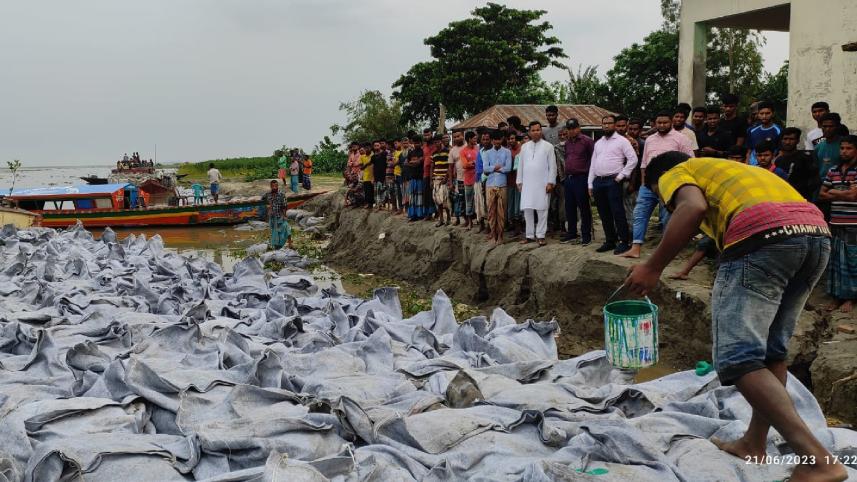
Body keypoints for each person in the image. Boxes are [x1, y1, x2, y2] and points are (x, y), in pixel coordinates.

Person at [624, 153, 844, 482]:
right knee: (771, 351)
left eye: (661, 197)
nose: (666, 203)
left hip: (763, 236)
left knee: (737, 357)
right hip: (815, 234)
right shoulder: (730, 172)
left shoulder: (675, 173)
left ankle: (817, 460)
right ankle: (753, 443)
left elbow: (691, 207)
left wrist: (652, 267)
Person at [621, 111, 694, 259]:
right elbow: (644, 163)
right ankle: (635, 247)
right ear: (655, 123)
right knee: (639, 214)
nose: (661, 125)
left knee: (667, 216)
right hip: (648, 185)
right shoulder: (649, 140)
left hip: (670, 184)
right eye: (659, 123)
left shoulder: (682, 139)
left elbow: (690, 162)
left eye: (665, 123)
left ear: (671, 122)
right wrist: (643, 183)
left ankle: (667, 250)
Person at [588, 114, 638, 254]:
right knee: (604, 213)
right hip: (598, 181)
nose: (606, 125)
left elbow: (633, 159)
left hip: (613, 181)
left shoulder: (622, 141)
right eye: (604, 123)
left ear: (615, 125)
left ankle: (624, 241)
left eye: (610, 123)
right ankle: (610, 240)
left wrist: (621, 176)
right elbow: (593, 164)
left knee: (618, 211)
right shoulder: (598, 142)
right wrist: (590, 184)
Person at [820, 135, 857, 313]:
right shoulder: (833, 170)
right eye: (842, 148)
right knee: (835, 260)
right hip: (836, 220)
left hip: (853, 223)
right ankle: (836, 296)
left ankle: (850, 298)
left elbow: (853, 196)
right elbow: (821, 194)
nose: (844, 151)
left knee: (852, 259)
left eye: (848, 148)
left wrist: (834, 192)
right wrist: (843, 192)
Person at [517, 121, 557, 246]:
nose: (536, 132)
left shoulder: (548, 146)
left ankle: (540, 235)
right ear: (529, 132)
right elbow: (520, 165)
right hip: (527, 184)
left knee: (542, 209)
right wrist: (519, 181)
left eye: (538, 130)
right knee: (527, 209)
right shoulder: (524, 147)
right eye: (533, 130)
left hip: (542, 183)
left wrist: (551, 182)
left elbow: (553, 166)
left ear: (541, 131)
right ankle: (529, 235)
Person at [561, 118, 594, 245]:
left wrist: (590, 180)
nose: (572, 131)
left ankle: (586, 235)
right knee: (569, 207)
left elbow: (593, 160)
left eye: (574, 128)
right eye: (569, 129)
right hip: (569, 178)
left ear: (578, 128)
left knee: (583, 207)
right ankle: (572, 233)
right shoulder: (567, 143)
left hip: (582, 177)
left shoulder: (587, 141)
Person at [484, 130, 512, 245]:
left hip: (502, 185)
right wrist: (498, 167)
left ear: (502, 140)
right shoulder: (487, 153)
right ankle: (493, 234)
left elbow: (508, 168)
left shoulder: (507, 152)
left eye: (499, 139)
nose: (496, 141)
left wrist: (493, 168)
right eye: (494, 139)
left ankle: (500, 235)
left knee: (501, 211)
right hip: (490, 184)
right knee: (491, 211)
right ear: (492, 140)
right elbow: (485, 168)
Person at [775, 127, 819, 200]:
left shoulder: (806, 158)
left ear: (798, 141)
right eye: (785, 139)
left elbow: (814, 181)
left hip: (802, 199)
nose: (788, 142)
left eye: (791, 139)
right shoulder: (778, 160)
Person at [746, 101, 782, 165]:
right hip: (753, 167)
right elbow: (749, 151)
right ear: (758, 114)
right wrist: (747, 163)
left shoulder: (779, 130)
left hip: (770, 168)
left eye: (767, 113)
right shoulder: (751, 131)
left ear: (773, 114)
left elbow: (781, 152)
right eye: (761, 113)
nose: (764, 116)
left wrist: (773, 163)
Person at [262, 180, 293, 250]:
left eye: (275, 186)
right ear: (270, 186)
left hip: (280, 215)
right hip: (272, 217)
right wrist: (267, 206)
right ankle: (276, 246)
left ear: (277, 186)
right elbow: (262, 199)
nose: (274, 187)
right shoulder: (268, 194)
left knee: (286, 227)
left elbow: (284, 206)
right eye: (273, 186)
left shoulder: (281, 194)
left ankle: (290, 243)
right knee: (275, 232)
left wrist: (284, 215)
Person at [815, 112, 844, 185]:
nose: (827, 129)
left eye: (831, 126)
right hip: (821, 185)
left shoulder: (845, 145)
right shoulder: (818, 147)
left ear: (837, 127)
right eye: (824, 126)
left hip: (840, 185)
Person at [431, 136, 452, 226]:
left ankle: (448, 218)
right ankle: (441, 219)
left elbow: (449, 166)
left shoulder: (447, 152)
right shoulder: (434, 153)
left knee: (445, 200)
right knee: (437, 200)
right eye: (435, 142)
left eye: (438, 141)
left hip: (444, 179)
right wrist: (431, 180)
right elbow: (432, 167)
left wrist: (446, 178)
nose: (437, 143)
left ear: (441, 141)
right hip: (436, 179)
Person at [474, 131, 492, 232]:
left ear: (491, 140)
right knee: (479, 203)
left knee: (488, 204)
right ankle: (481, 224)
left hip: (489, 180)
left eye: (487, 139)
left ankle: (490, 225)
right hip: (478, 180)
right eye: (483, 139)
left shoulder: (493, 151)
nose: (485, 141)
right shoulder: (480, 151)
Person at [460, 131, 479, 229]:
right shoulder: (463, 151)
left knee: (478, 201)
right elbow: (464, 165)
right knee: (469, 201)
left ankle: (479, 222)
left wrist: (472, 163)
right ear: (469, 139)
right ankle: (470, 222)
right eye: (474, 138)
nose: (476, 140)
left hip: (478, 179)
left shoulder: (478, 149)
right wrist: (474, 163)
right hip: (468, 180)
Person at [506, 132, 523, 235]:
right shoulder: (507, 151)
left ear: (516, 139)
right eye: (509, 139)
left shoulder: (521, 149)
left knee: (518, 204)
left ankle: (519, 227)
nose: (511, 140)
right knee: (510, 205)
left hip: (519, 181)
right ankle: (512, 224)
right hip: (509, 181)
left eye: (512, 138)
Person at [404, 147, 426, 222]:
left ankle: (420, 215)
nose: (417, 144)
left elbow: (416, 163)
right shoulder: (411, 152)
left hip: (420, 177)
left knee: (420, 197)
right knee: (412, 197)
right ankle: (413, 215)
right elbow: (406, 163)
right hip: (412, 177)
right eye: (415, 142)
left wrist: (412, 162)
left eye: (418, 142)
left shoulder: (423, 151)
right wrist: (415, 162)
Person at [449, 131, 466, 225]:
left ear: (462, 136)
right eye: (454, 137)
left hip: (470, 178)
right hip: (458, 179)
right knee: (457, 199)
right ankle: (458, 219)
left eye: (458, 136)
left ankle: (468, 220)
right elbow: (450, 167)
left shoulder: (468, 146)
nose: (456, 138)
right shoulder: (452, 150)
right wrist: (451, 182)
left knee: (468, 200)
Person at [360, 144, 374, 209]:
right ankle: (368, 203)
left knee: (373, 191)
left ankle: (373, 204)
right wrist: (367, 164)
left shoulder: (373, 155)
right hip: (366, 176)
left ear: (371, 148)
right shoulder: (362, 157)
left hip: (373, 176)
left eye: (368, 148)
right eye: (366, 148)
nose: (367, 149)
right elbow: (361, 167)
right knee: (367, 191)